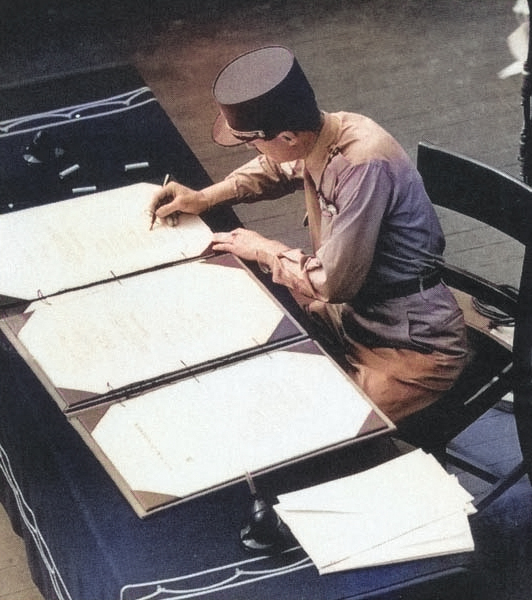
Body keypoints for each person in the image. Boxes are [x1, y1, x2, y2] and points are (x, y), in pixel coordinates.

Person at [149, 45, 468, 423]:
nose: (254, 150)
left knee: (316, 423)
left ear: (286, 136)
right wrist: (205, 197)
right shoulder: (321, 132)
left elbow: (333, 283)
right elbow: (278, 167)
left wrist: (265, 250)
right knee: (251, 321)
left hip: (411, 345)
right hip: (358, 315)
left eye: (254, 141)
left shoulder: (361, 163)